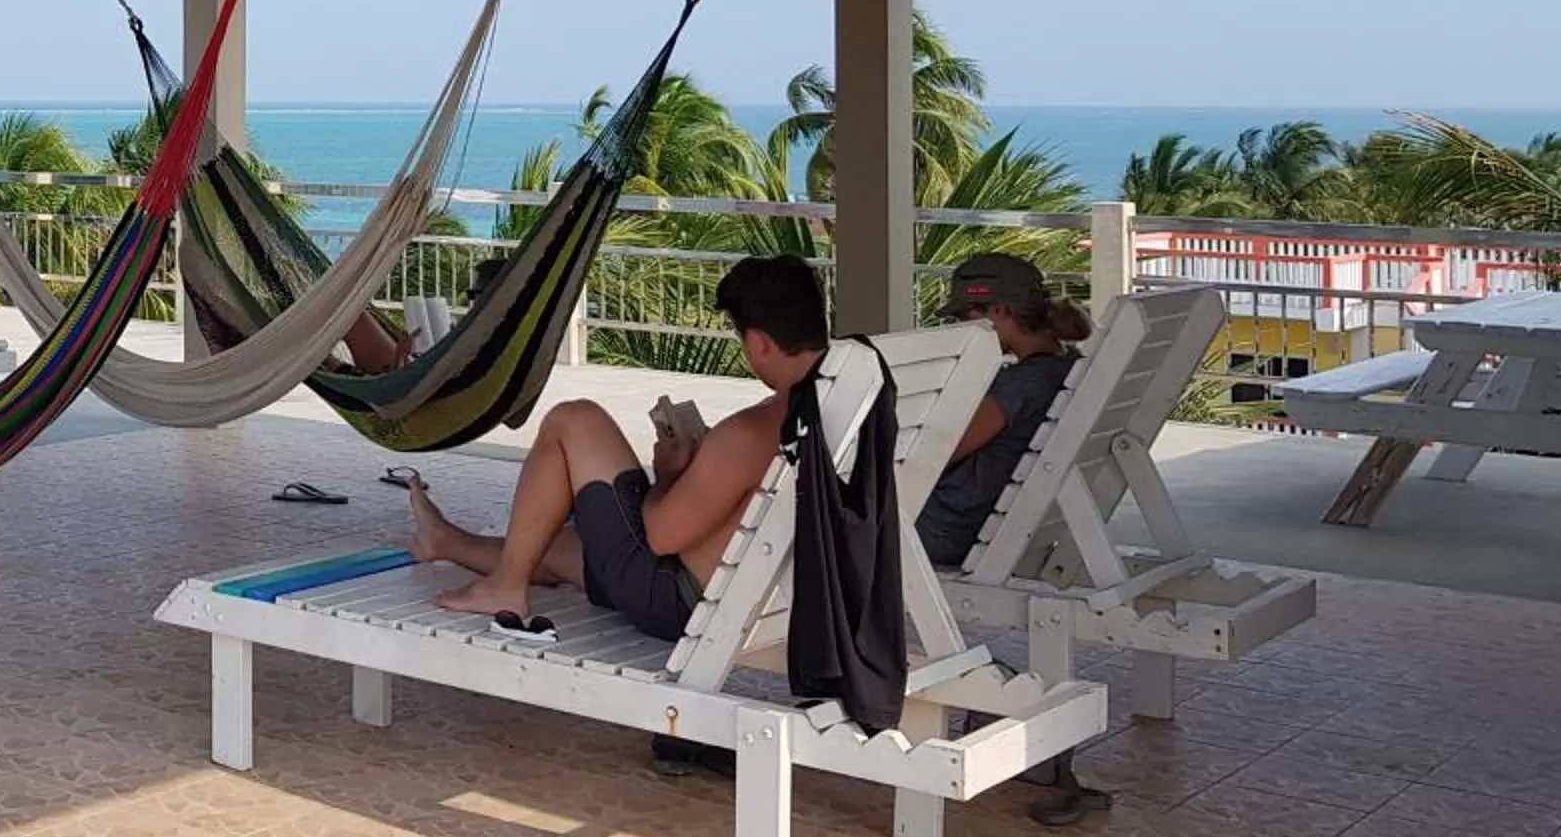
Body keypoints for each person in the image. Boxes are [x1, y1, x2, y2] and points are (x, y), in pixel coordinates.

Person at [401, 255, 832, 640]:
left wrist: (668, 475)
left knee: (574, 420)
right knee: (552, 539)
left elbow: (661, 536)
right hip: (764, 592)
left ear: (757, 342)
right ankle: (445, 541)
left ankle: (505, 586)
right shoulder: (846, 407)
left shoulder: (749, 432)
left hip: (677, 602)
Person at [914, 252, 1093, 569]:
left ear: (998, 310)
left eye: (963, 316)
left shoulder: (1021, 386)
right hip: (984, 522)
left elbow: (934, 455)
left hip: (943, 530)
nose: (960, 327)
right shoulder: (1065, 366)